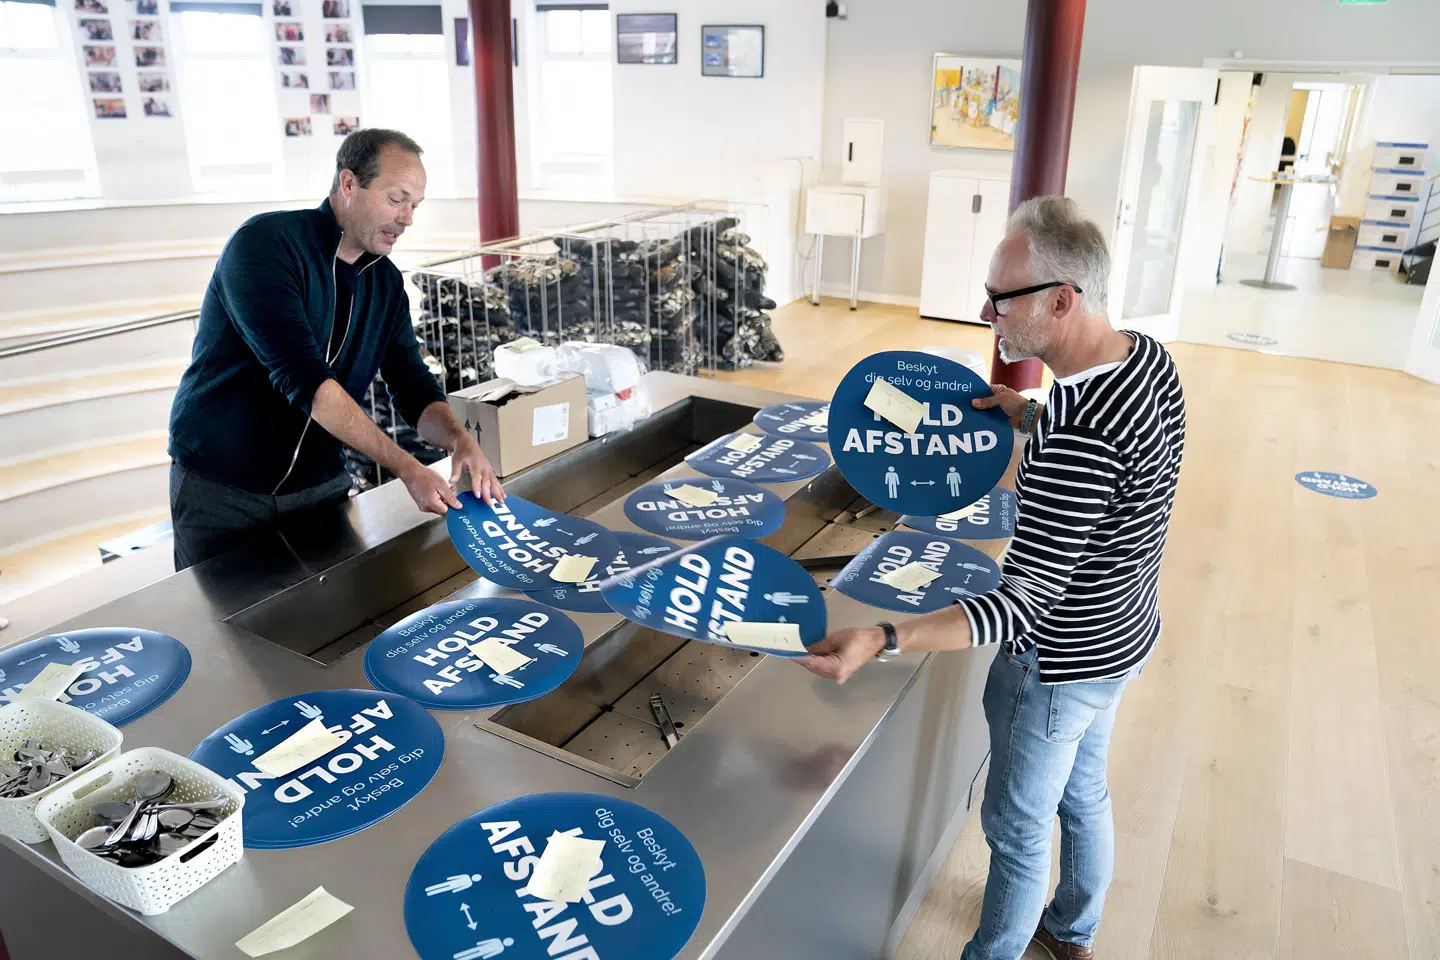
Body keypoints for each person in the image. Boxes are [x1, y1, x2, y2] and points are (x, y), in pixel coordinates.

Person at [801, 196, 1186, 960]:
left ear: (1061, 300)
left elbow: (1020, 603)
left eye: (1000, 298)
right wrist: (1029, 416)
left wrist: (883, 637)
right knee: (1084, 792)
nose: (985, 313)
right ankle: (1072, 930)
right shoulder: (1144, 358)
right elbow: (1115, 463)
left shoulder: (1081, 434)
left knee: (1016, 826)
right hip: (1123, 631)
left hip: (1059, 660)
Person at [168, 129, 504, 570]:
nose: (407, 219)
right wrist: (408, 468)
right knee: (226, 615)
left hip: (319, 487)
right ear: (349, 183)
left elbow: (412, 385)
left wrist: (460, 440)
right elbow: (307, 383)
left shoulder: (385, 283)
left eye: (415, 206)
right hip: (225, 490)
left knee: (329, 609)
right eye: (397, 199)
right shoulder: (265, 245)